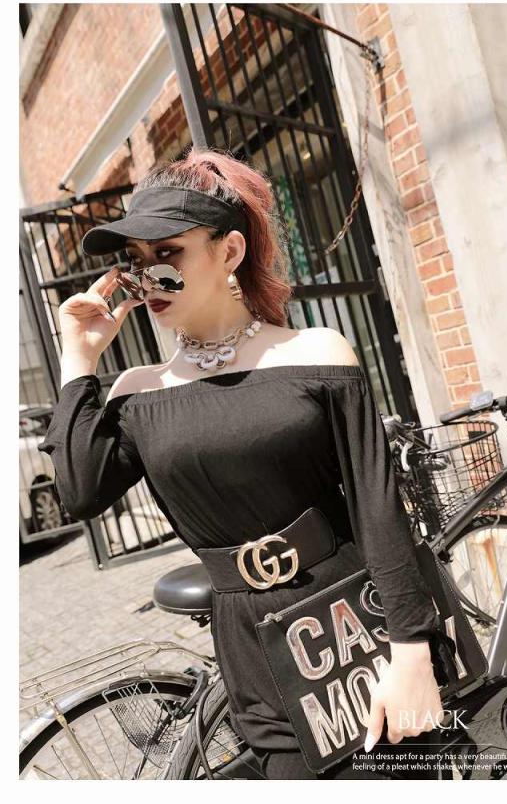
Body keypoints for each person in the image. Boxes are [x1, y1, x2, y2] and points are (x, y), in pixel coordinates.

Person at [37, 147, 444, 780]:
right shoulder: (139, 391)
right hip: (252, 646)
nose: (148, 280)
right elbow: (80, 491)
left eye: (167, 254)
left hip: (353, 619)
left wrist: (412, 649)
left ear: (229, 252)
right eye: (136, 263)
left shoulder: (315, 354)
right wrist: (78, 360)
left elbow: (376, 507)